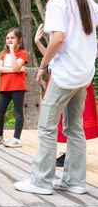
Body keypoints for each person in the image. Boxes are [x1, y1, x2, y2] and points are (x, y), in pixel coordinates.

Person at [15, 0, 98, 195]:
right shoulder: (88, 2)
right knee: (75, 127)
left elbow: (58, 38)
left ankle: (41, 181)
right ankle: (75, 182)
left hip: (64, 75)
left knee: (47, 127)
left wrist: (43, 65)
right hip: (84, 75)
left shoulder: (57, 2)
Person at [35, 21, 98, 167]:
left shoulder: (77, 30)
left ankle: (67, 158)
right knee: (70, 121)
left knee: (71, 121)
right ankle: (71, 159)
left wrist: (43, 66)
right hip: (69, 75)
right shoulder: (67, 30)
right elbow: (53, 57)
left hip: (71, 77)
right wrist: (38, 42)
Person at [0, 28, 28, 148]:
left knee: (18, 112)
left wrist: (11, 51)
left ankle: (16, 139)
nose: (9, 40)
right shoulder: (2, 54)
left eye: (12, 38)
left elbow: (16, 67)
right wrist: (16, 70)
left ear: (19, 40)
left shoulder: (22, 53)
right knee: (0, 112)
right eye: (7, 38)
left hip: (18, 87)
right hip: (4, 87)